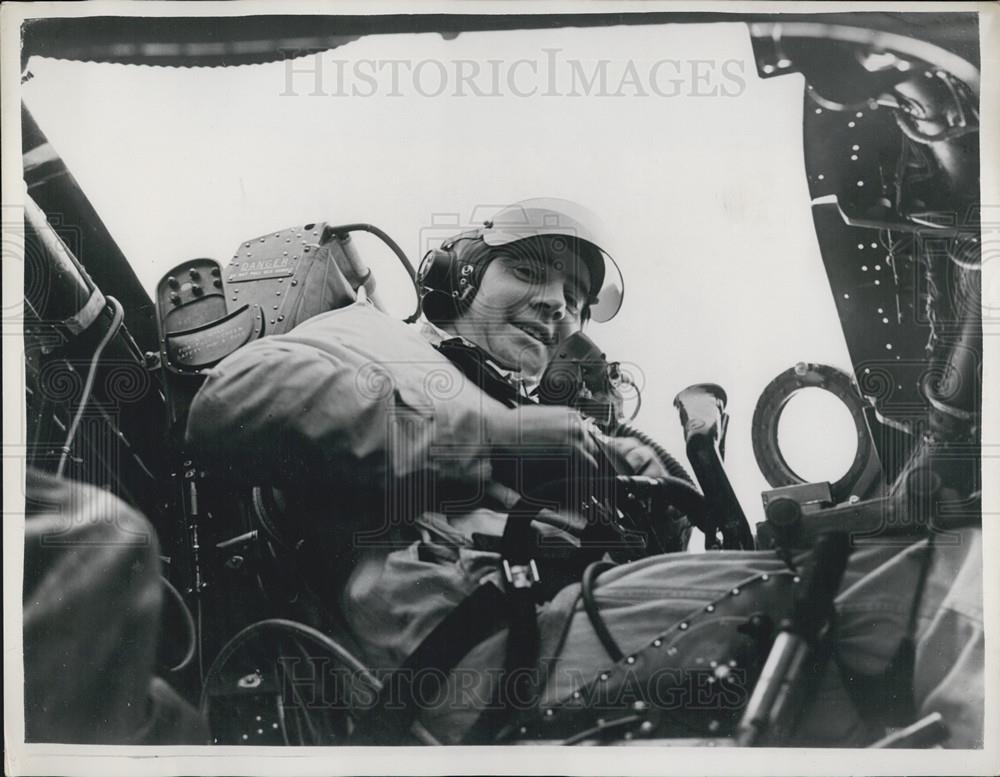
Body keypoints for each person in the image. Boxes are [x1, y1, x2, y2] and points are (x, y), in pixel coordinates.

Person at [185, 198, 983, 746]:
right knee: (932, 578)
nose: (557, 303)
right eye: (530, 272)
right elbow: (233, 404)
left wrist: (640, 489)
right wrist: (497, 434)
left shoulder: (557, 434)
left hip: (557, 646)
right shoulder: (374, 339)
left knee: (885, 670)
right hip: (469, 652)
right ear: (457, 278)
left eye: (571, 296)